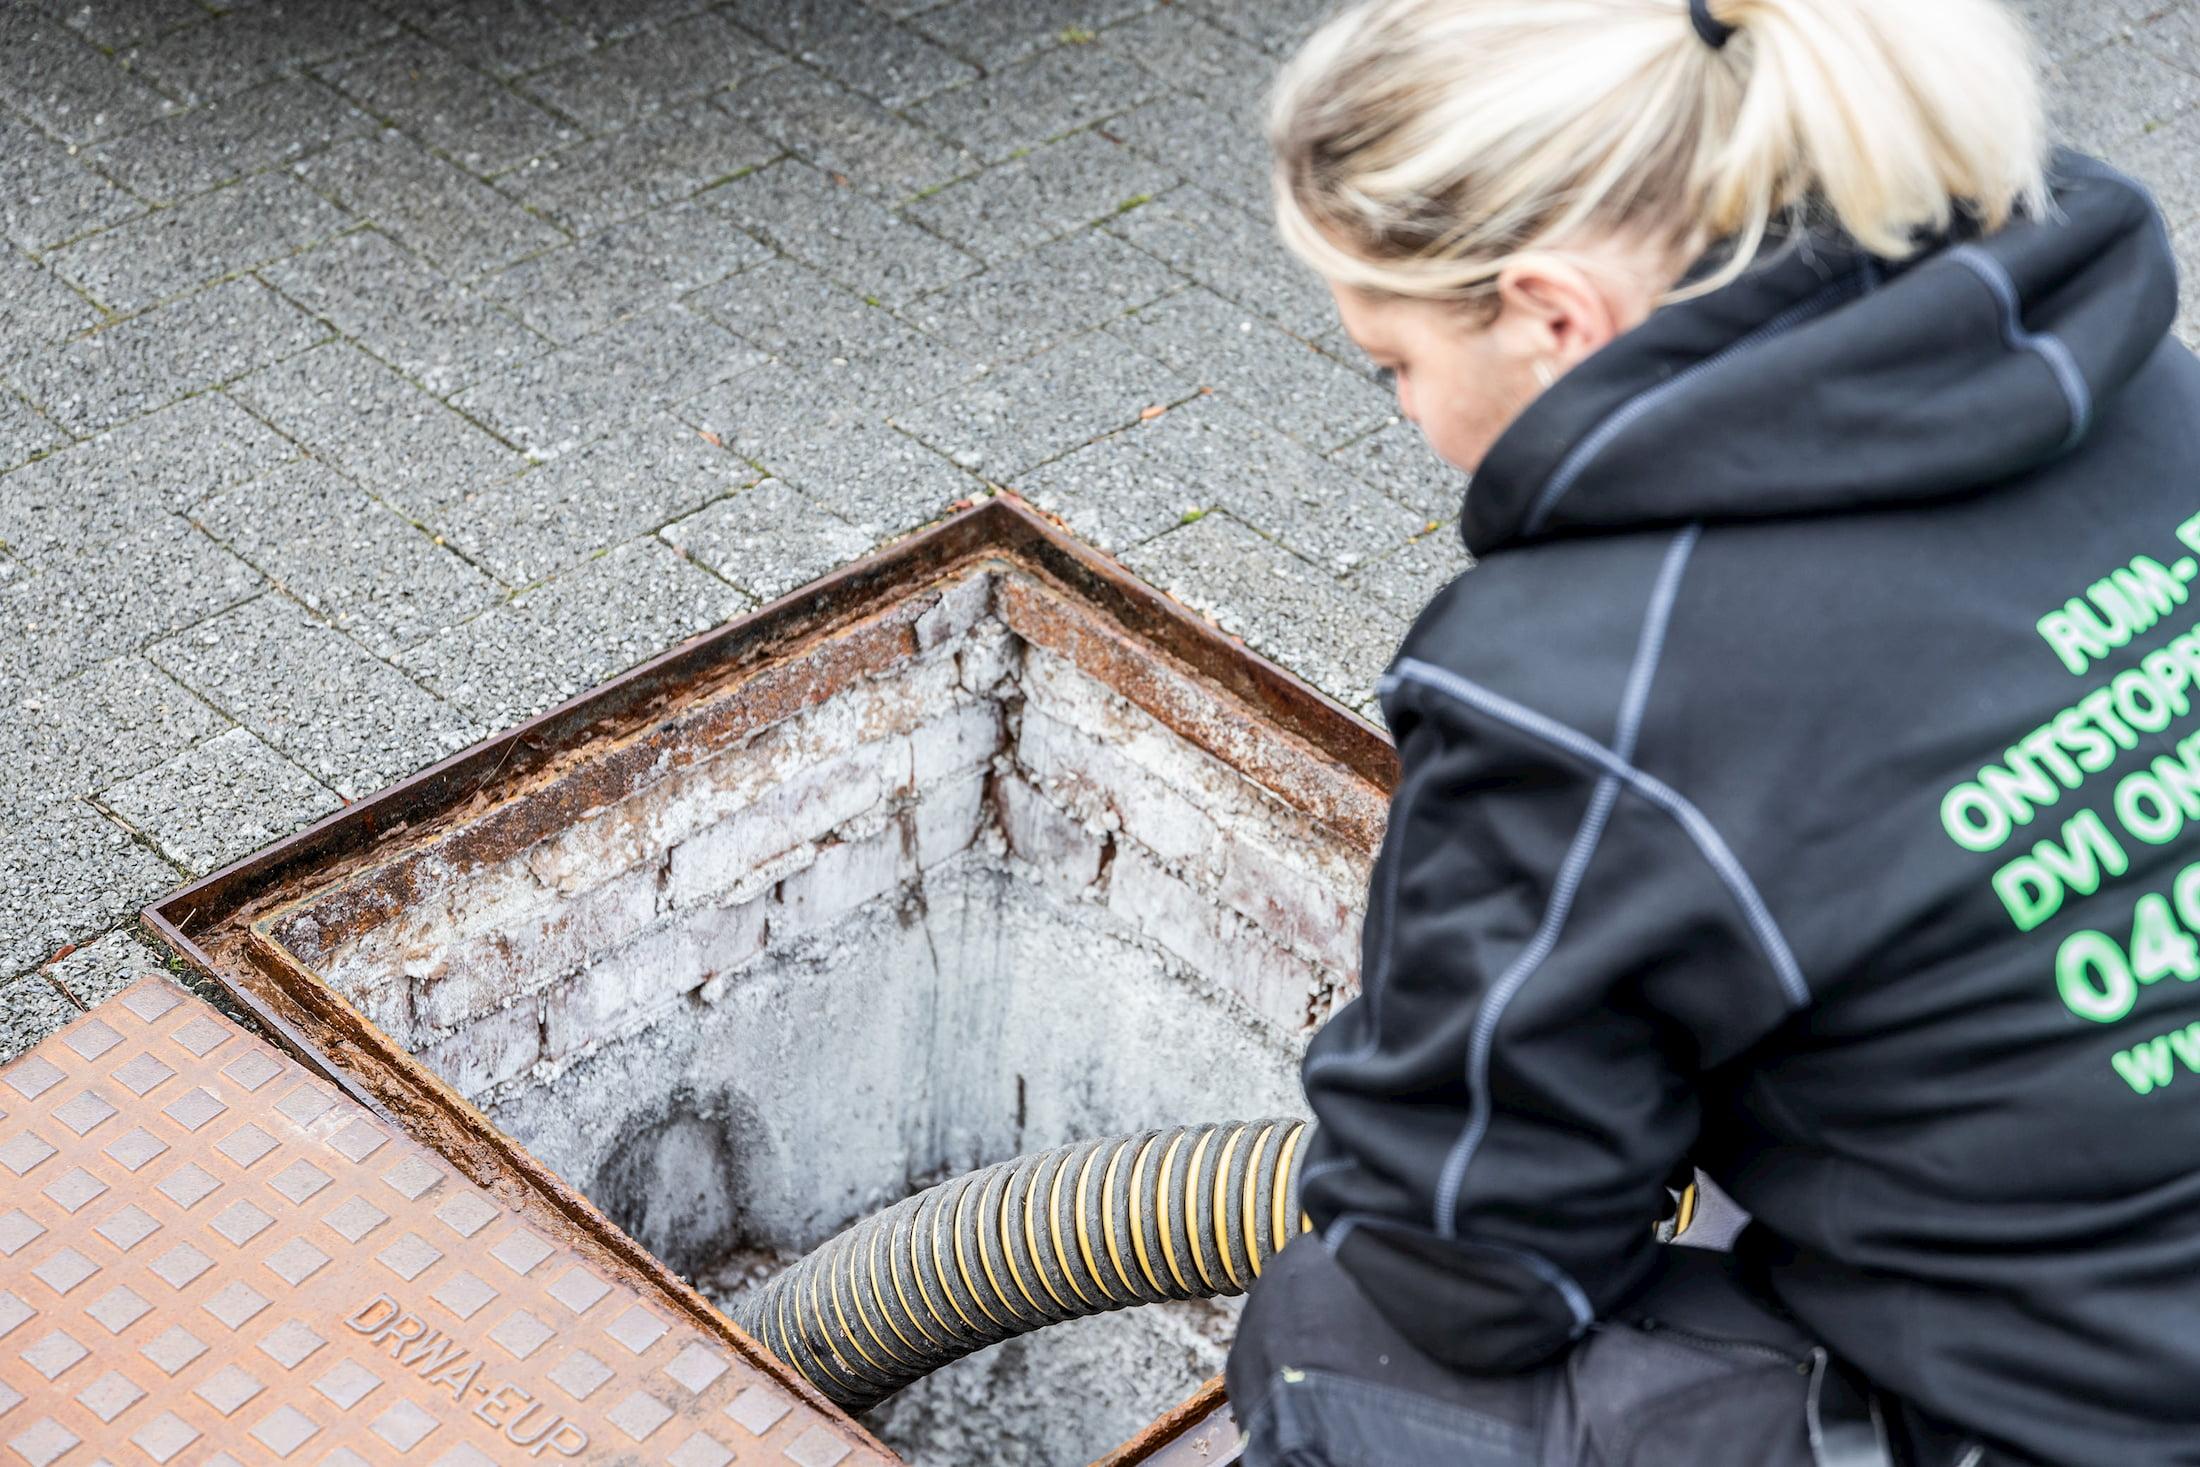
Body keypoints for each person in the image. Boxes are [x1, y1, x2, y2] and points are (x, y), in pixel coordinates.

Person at [1223, 1, 2198, 1463]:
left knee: (1334, 1340)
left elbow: (1479, 1268)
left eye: (1395, 363)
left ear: (1555, 315)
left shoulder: (1584, 687)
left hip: (2104, 1427)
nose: (1414, 414)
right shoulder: (2143, 393)